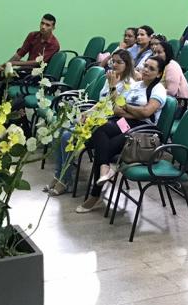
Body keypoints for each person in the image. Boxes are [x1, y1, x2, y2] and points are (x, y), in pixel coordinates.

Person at [77, 56, 169, 213]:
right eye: (145, 66)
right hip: (126, 122)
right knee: (101, 128)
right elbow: (116, 108)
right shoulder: (137, 85)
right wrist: (133, 111)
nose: (146, 70)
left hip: (142, 132)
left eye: (151, 68)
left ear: (159, 74)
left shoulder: (158, 89)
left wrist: (128, 108)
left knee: (103, 148)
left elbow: (146, 112)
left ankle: (95, 194)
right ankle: (105, 169)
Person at [50, 49, 134, 195]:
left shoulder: (129, 84)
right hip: (97, 117)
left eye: (119, 62)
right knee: (59, 132)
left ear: (127, 65)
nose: (114, 65)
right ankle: (59, 175)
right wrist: (87, 112)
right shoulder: (110, 78)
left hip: (110, 124)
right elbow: (101, 102)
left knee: (66, 137)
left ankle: (65, 180)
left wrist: (112, 87)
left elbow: (117, 109)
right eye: (113, 61)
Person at [0, 13, 61, 104]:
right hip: (25, 70)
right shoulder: (32, 35)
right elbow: (20, 54)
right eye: (42, 23)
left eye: (47, 25)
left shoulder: (54, 44)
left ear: (53, 28)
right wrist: (4, 65)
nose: (43, 27)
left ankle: (4, 110)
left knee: (3, 84)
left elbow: (37, 63)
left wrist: (15, 63)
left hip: (36, 76)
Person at [149, 37, 188, 101]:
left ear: (167, 53)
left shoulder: (171, 66)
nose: (156, 55)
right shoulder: (159, 65)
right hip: (161, 96)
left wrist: (151, 91)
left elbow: (171, 92)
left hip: (178, 102)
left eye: (159, 52)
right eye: (154, 52)